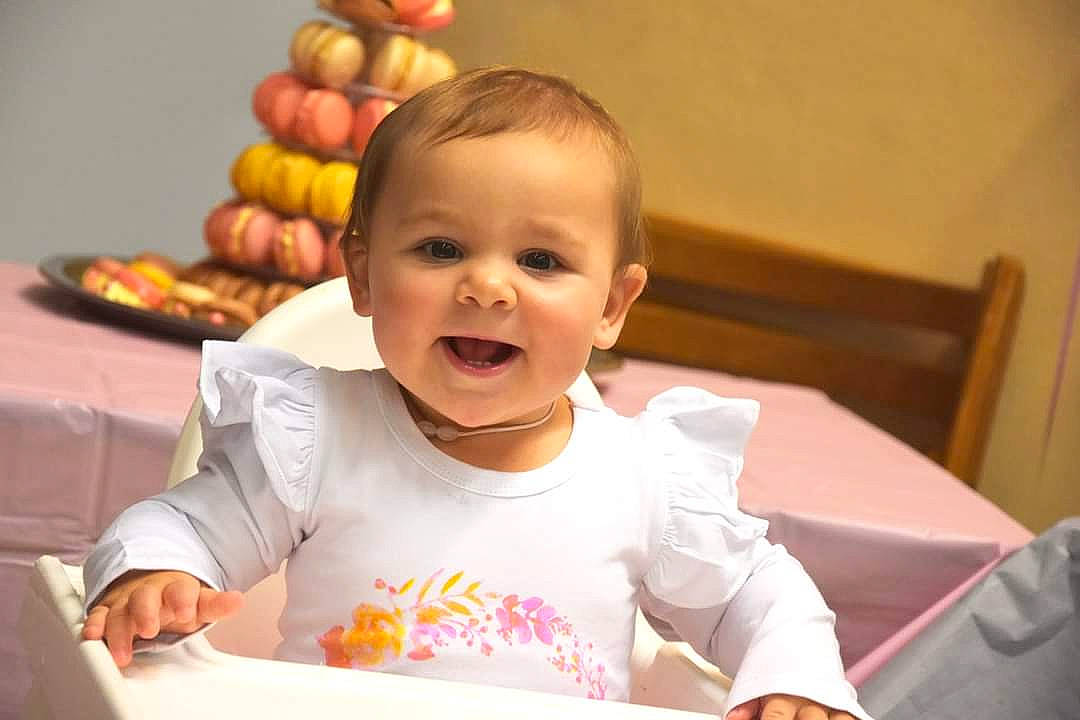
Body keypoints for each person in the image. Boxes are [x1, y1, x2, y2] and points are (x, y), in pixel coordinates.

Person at [82, 67, 871, 720]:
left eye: (540, 260)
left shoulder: (642, 479)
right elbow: (182, 525)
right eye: (441, 248)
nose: (488, 286)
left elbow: (753, 592)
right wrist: (153, 575)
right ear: (364, 275)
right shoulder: (316, 438)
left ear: (611, 306)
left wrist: (794, 674)